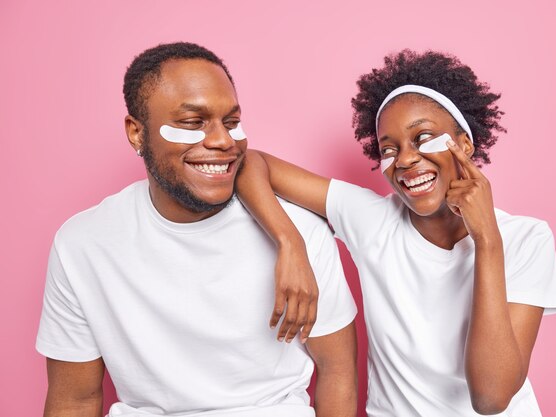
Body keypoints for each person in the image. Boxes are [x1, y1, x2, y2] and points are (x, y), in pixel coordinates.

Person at [237, 50, 556, 416]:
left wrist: (487, 240)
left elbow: (491, 398)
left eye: (423, 137)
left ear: (464, 144)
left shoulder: (527, 239)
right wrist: (290, 243)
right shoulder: (372, 219)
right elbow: (253, 162)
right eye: (389, 149)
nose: (405, 159)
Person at [36, 42, 358, 417]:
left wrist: (290, 241)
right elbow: (75, 399)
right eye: (192, 123)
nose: (223, 140)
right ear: (137, 133)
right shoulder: (82, 245)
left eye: (232, 122)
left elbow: (338, 373)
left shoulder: (303, 232)